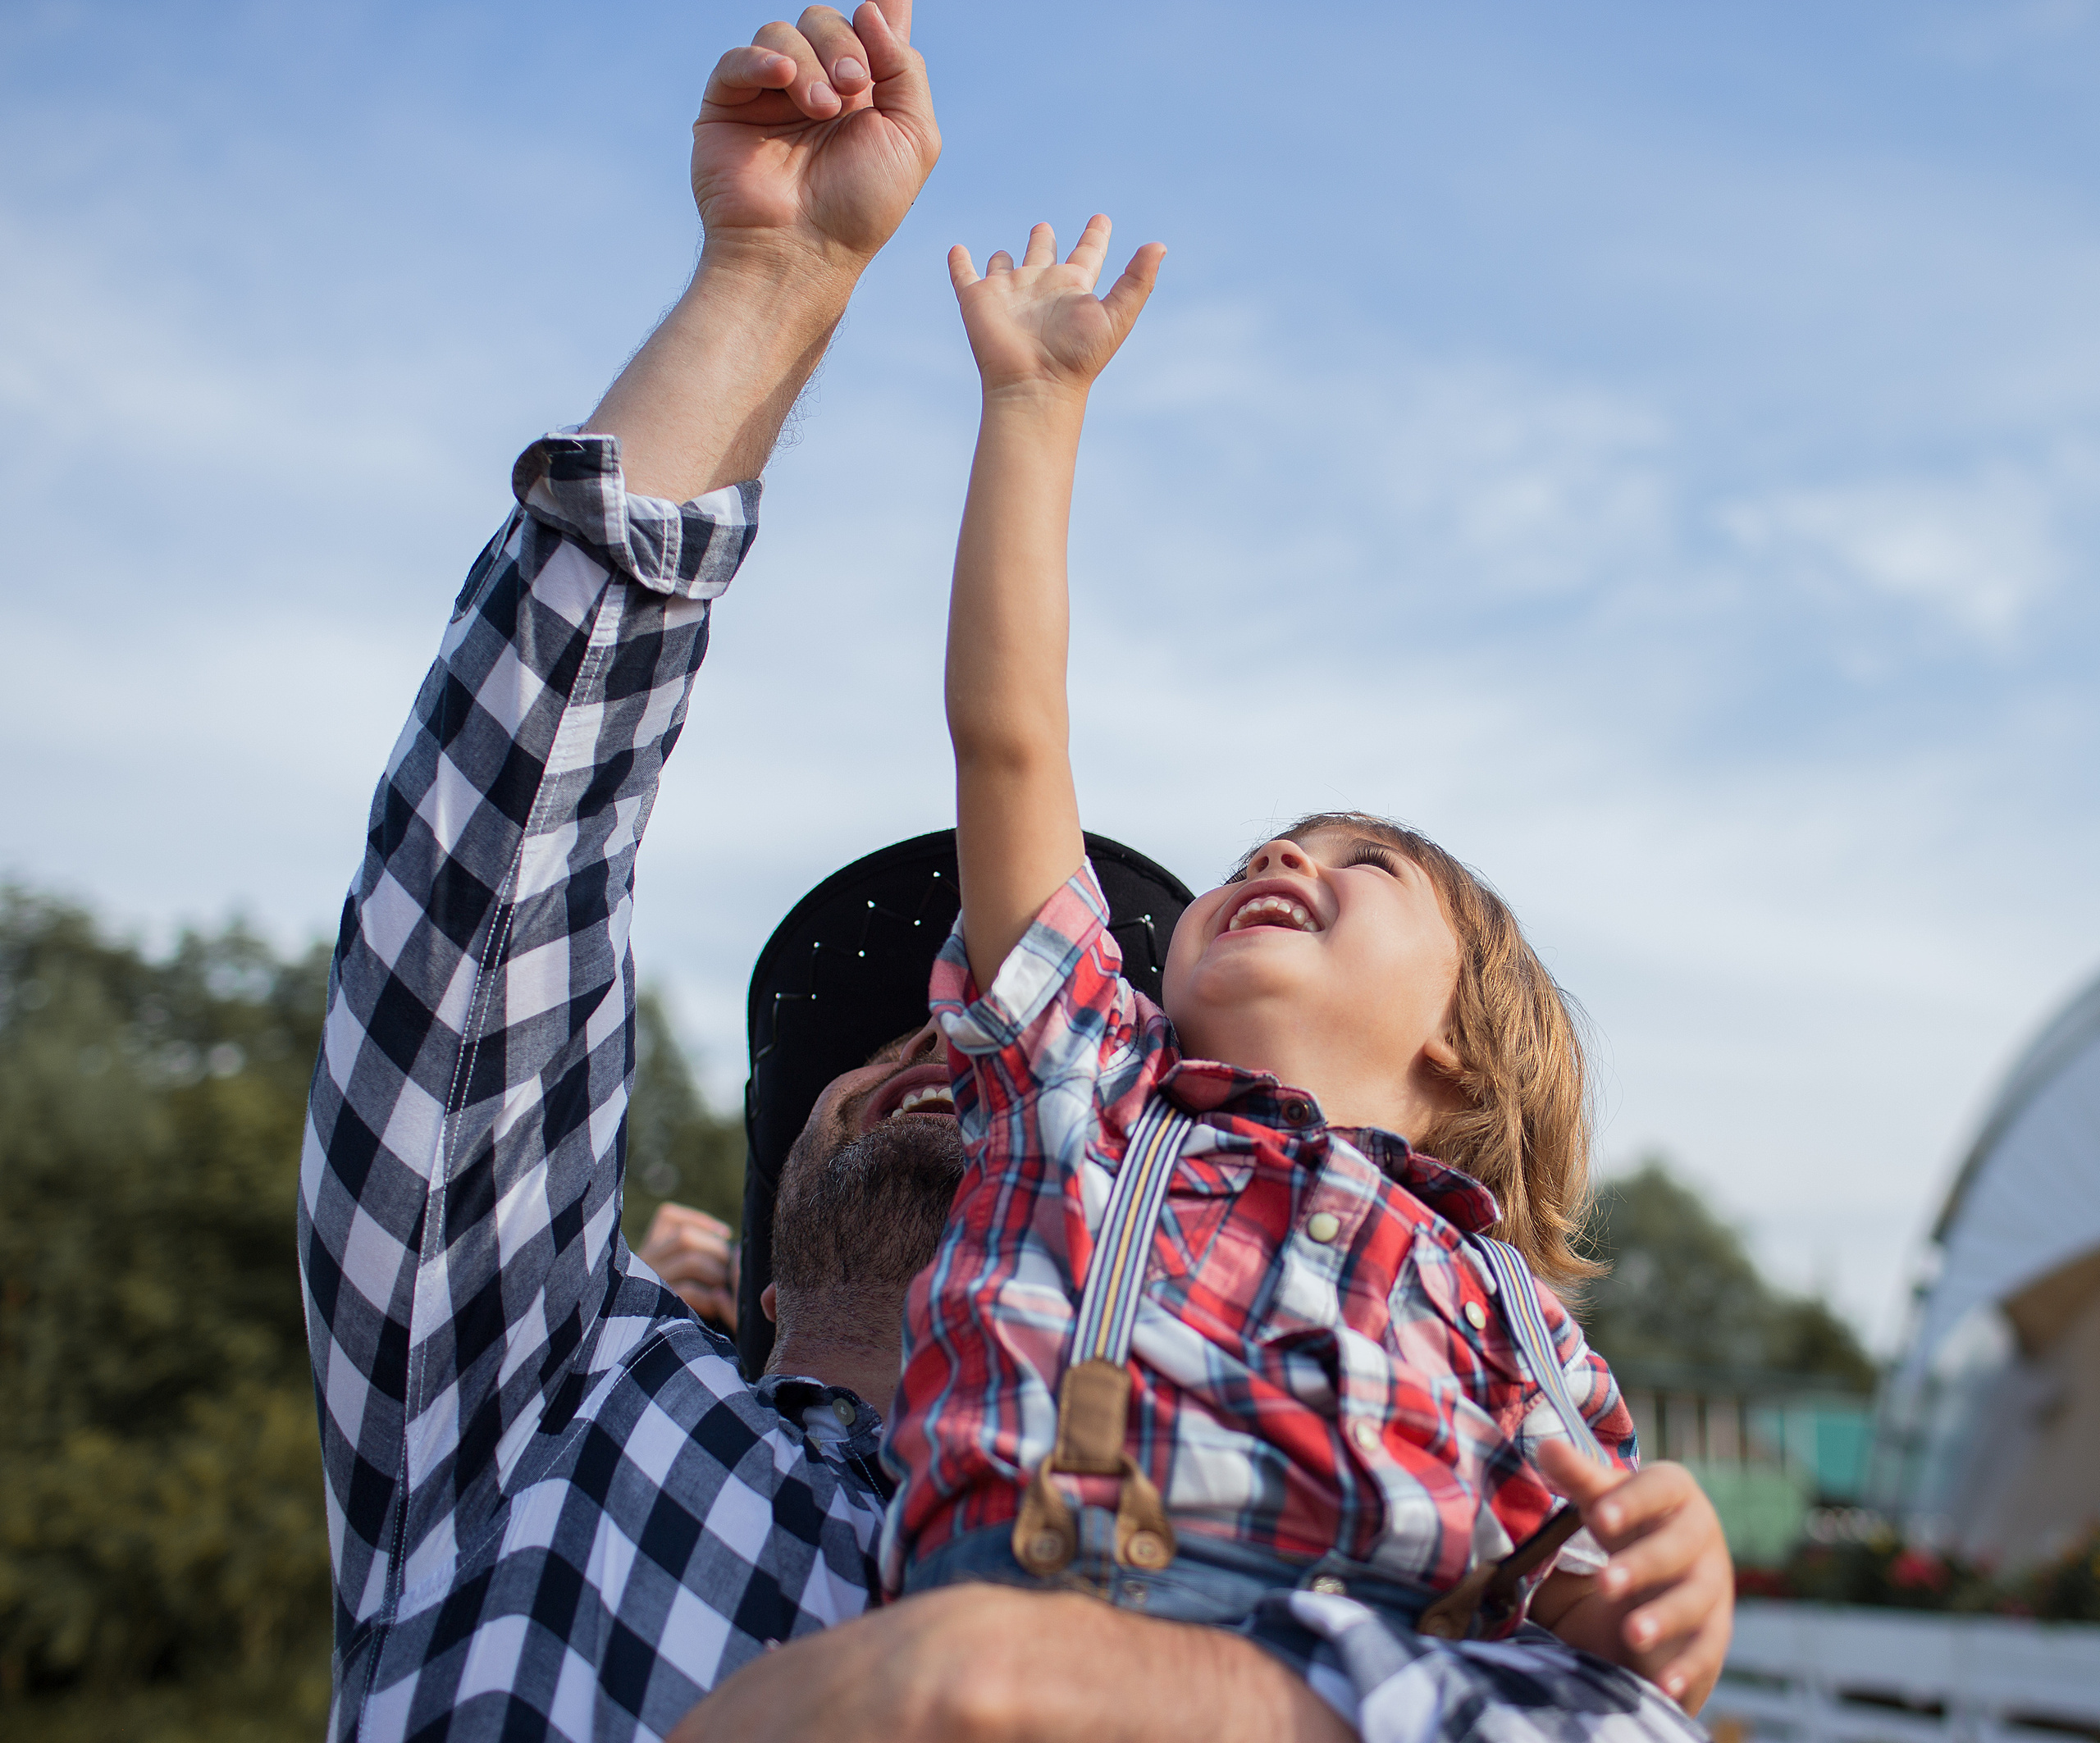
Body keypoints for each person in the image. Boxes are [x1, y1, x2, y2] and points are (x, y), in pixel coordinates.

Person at [294, 7, 1395, 1737]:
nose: (958, 1040)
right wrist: (770, 280)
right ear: (767, 1255)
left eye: (1033, 1043)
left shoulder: (1279, 1602)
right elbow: (487, 884)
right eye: (875, 1046)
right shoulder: (538, 1406)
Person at [856, 211, 1733, 1736]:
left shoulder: (1517, 1323)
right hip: (1043, 1608)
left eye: (1358, 865)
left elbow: (1577, 1592)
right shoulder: (1086, 1072)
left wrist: (1672, 1573)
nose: (1276, 861)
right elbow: (1010, 735)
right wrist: (1032, 411)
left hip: (1369, 1682)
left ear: (1464, 1046)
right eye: (1259, 848)